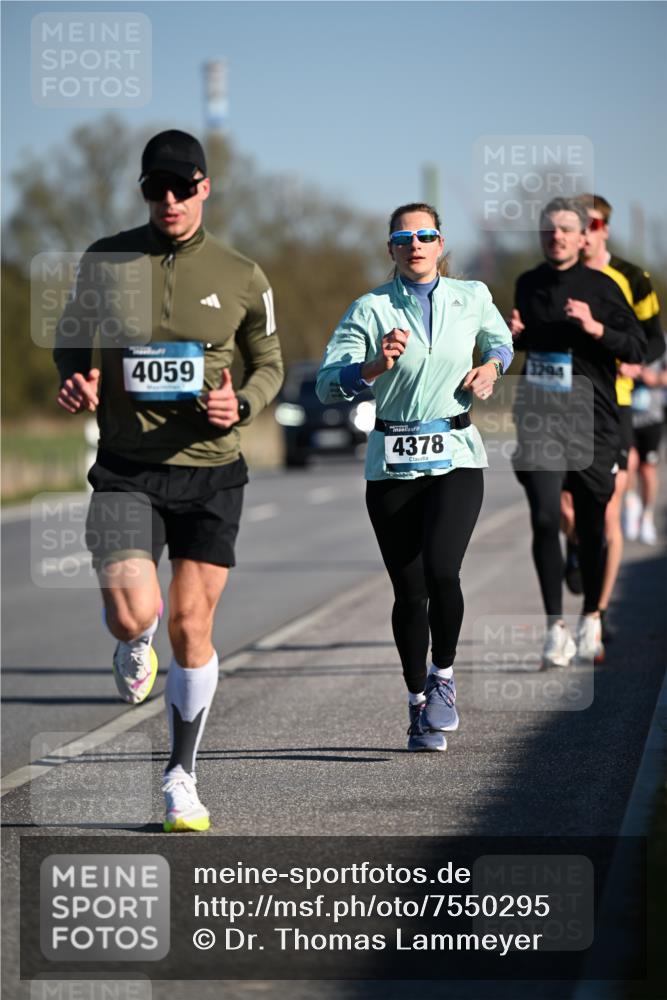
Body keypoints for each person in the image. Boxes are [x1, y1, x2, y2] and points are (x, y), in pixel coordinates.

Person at [53, 130, 284, 831]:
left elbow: (268, 362)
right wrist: (74, 377)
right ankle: (129, 638)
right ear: (145, 193)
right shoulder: (106, 259)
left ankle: (180, 776)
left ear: (204, 188)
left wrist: (239, 403)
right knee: (135, 614)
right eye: (157, 188)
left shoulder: (243, 273)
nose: (170, 200)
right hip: (127, 467)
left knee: (191, 625)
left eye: (182, 187)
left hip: (211, 471)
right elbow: (71, 335)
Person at [316, 202, 513, 751]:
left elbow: (502, 342)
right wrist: (372, 367)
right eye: (404, 238)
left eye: (426, 235)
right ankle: (416, 704)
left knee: (444, 571)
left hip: (455, 453)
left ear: (441, 243)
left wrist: (492, 368)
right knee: (410, 590)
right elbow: (327, 384)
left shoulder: (472, 296)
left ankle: (444, 678)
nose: (416, 244)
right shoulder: (369, 308)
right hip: (393, 461)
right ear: (391, 249)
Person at [509, 197, 646, 667]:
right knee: (546, 518)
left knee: (590, 527)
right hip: (540, 419)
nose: (557, 237)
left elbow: (639, 347)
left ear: (582, 234)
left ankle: (591, 616)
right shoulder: (527, 284)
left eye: (566, 229)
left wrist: (594, 326)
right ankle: (555, 628)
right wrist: (515, 336)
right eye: (549, 230)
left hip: (593, 423)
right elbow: (530, 343)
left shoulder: (604, 287)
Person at [559, 194, 663, 638]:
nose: (583, 234)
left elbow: (654, 338)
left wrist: (636, 362)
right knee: (563, 506)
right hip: (561, 401)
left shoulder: (631, 277)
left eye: (592, 225)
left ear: (603, 229)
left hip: (613, 402)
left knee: (608, 509)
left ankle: (596, 615)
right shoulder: (555, 274)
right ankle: (577, 545)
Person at [624, 341, 667, 545]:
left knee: (647, 469)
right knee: (630, 462)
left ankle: (647, 517)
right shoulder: (623, 337)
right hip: (626, 415)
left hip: (652, 417)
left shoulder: (662, 342)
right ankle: (632, 503)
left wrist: (653, 378)